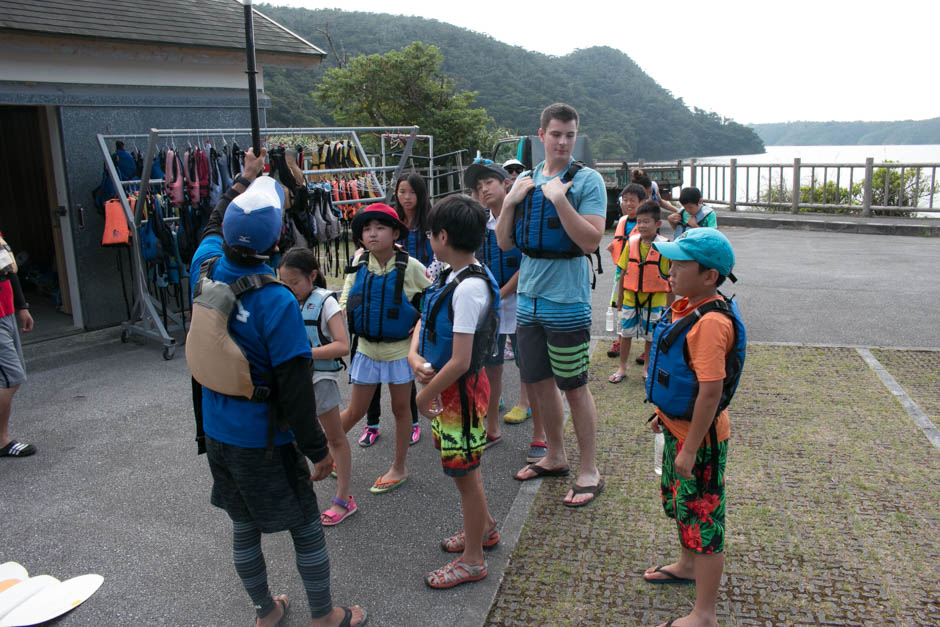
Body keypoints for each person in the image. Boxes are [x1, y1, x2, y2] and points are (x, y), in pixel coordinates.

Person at [188, 148, 365, 627]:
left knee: (244, 527)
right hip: (266, 441)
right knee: (307, 527)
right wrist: (318, 451)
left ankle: (266, 612)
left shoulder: (204, 270)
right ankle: (325, 615)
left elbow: (210, 228)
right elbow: (293, 384)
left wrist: (239, 184)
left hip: (219, 433)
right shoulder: (276, 300)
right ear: (276, 242)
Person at [495, 102, 606, 507]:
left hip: (567, 302)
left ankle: (589, 470)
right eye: (556, 133)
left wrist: (560, 200)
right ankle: (555, 456)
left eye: (570, 134)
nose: (562, 141)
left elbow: (592, 241)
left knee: (574, 387)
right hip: (529, 301)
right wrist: (509, 202)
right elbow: (505, 242)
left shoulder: (588, 181)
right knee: (539, 384)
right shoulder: (523, 180)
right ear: (540, 135)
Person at [642, 228, 745, 627]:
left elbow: (709, 393)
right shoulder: (688, 305)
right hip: (679, 429)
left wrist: (689, 447)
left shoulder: (710, 323)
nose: (671, 270)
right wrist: (665, 418)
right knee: (683, 508)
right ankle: (687, 564)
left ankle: (704, 614)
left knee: (704, 519)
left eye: (681, 264)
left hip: (699, 440)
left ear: (709, 276)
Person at [408, 194, 500, 589]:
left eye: (431, 233)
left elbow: (461, 360)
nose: (429, 239)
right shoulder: (451, 273)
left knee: (465, 474)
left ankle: (473, 559)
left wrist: (422, 397)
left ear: (443, 236)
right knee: (463, 470)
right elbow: (424, 319)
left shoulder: (468, 289)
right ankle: (486, 528)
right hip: (445, 387)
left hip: (458, 392)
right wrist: (413, 356)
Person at [339, 203, 431, 494]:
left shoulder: (411, 266)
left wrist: (417, 325)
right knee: (355, 410)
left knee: (401, 409)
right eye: (367, 229)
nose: (372, 234)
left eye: (380, 228)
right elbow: (344, 302)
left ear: (394, 233)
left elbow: (432, 301)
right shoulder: (359, 263)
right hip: (365, 349)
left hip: (398, 353)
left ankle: (399, 467)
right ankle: (325, 453)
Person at [466, 161, 549, 462]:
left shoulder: (523, 218)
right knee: (492, 368)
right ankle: (491, 428)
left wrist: (498, 295)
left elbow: (527, 264)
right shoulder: (479, 224)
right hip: (492, 307)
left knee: (531, 371)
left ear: (506, 183)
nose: (484, 189)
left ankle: (540, 435)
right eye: (477, 187)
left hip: (523, 304)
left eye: (489, 182)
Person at [279, 248, 355, 527]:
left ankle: (344, 499)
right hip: (292, 383)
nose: (290, 290)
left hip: (319, 380)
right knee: (292, 440)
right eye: (283, 284)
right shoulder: (283, 301)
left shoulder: (326, 303)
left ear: (312, 276)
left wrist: (303, 353)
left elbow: (342, 346)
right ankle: (298, 497)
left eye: (295, 283)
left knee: (335, 438)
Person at [361, 173, 437, 448]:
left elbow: (432, 271)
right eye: (402, 191)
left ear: (421, 194)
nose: (406, 197)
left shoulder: (429, 221)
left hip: (413, 292)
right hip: (383, 299)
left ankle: (414, 420)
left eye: (412, 192)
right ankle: (372, 424)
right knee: (370, 376)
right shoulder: (387, 220)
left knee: (407, 366)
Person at [609, 200, 671, 383]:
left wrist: (671, 308)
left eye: (646, 221)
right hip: (630, 297)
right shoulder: (631, 243)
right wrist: (619, 302)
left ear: (658, 224)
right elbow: (622, 273)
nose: (642, 225)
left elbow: (671, 280)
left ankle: (647, 368)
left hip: (655, 300)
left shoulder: (665, 247)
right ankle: (622, 367)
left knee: (651, 337)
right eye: (639, 221)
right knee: (625, 334)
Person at [605, 183, 647, 358]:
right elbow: (620, 242)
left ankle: (647, 348)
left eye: (633, 201)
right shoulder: (622, 221)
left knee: (646, 310)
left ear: (642, 202)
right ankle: (620, 341)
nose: (629, 204)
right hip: (621, 272)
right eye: (626, 200)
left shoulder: (646, 223)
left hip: (641, 274)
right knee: (620, 306)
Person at [0, 264, 35, 458]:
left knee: (11, 376)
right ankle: (1, 442)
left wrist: (22, 307)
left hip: (6, 310)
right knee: (10, 378)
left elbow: (8, 268)